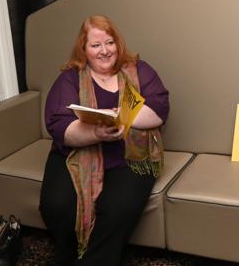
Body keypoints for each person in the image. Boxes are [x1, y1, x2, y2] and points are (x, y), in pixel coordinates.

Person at [39, 15, 169, 266]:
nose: (104, 51)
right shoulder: (69, 78)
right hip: (76, 154)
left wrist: (121, 118)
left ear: (118, 44)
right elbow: (59, 125)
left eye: (109, 43)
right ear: (83, 49)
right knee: (57, 205)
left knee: (117, 209)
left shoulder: (140, 70)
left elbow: (160, 109)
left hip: (130, 155)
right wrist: (97, 133)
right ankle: (68, 256)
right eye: (95, 45)